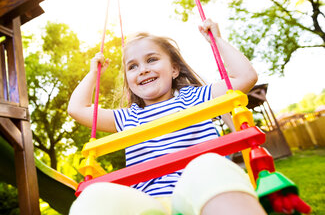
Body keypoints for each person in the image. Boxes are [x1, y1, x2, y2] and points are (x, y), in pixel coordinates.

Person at [67, 19, 265, 215]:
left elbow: (245, 77)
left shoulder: (196, 98)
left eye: (151, 59)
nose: (143, 69)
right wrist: (94, 73)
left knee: (209, 164)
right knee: (95, 195)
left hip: (199, 194)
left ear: (174, 69)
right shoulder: (128, 117)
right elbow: (77, 109)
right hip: (150, 205)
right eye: (132, 66)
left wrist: (217, 41)